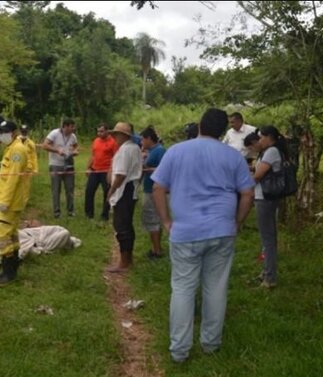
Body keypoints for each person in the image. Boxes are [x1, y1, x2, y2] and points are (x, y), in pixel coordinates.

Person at [151, 108, 255, 363]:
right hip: (222, 231)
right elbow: (248, 194)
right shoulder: (233, 156)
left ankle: (179, 351)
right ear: (223, 132)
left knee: (183, 289)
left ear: (199, 126)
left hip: (185, 232)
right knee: (216, 288)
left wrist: (166, 221)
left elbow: (158, 187)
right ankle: (210, 344)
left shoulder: (176, 151)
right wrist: (237, 222)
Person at [0, 121, 31, 287]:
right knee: (12, 234)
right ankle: (12, 267)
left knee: (1, 235)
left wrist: (5, 201)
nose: (3, 135)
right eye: (1, 132)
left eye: (6, 132)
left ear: (14, 132)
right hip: (8, 199)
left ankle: (8, 272)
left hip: (9, 201)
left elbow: (13, 178)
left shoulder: (17, 150)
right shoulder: (12, 148)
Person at [252, 125, 288, 289]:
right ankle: (267, 271)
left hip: (265, 198)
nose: (259, 141)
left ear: (268, 137)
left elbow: (258, 175)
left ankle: (270, 277)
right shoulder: (267, 152)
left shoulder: (272, 152)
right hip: (264, 198)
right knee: (267, 238)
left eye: (261, 137)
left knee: (268, 239)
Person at [105, 122, 142, 272]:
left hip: (123, 189)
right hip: (129, 189)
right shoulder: (134, 148)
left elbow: (120, 175)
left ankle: (124, 262)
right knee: (126, 225)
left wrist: (111, 191)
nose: (114, 137)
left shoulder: (126, 150)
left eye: (116, 134)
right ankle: (128, 259)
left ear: (122, 135)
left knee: (121, 226)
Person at [42, 119, 79, 218]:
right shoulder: (54, 133)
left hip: (69, 164)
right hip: (55, 165)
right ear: (65, 126)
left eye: (73, 126)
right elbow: (45, 145)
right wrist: (57, 150)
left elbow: (76, 146)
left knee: (70, 189)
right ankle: (57, 213)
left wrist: (75, 151)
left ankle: (70, 211)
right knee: (56, 189)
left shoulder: (73, 136)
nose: (73, 128)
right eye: (71, 126)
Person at [140, 126, 166, 259]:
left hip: (153, 190)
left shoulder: (159, 151)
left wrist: (147, 169)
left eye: (143, 140)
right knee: (154, 219)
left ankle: (157, 250)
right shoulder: (150, 151)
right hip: (149, 187)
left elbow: (164, 169)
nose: (142, 143)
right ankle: (156, 247)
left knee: (152, 220)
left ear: (149, 138)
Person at [85, 123, 118, 221]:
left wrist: (111, 171)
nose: (99, 133)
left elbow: (116, 158)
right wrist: (88, 167)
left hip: (106, 171)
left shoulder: (113, 142)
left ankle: (105, 215)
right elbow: (93, 155)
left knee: (107, 193)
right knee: (89, 191)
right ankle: (89, 215)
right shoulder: (96, 141)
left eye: (101, 131)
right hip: (95, 170)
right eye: (98, 131)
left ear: (107, 131)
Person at [19, 124, 39, 203]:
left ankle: (24, 202)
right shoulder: (15, 141)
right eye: (22, 131)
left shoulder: (31, 143)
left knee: (26, 186)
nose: (24, 133)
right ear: (20, 131)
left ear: (28, 132)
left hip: (28, 167)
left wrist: (35, 169)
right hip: (17, 166)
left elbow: (34, 156)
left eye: (25, 131)